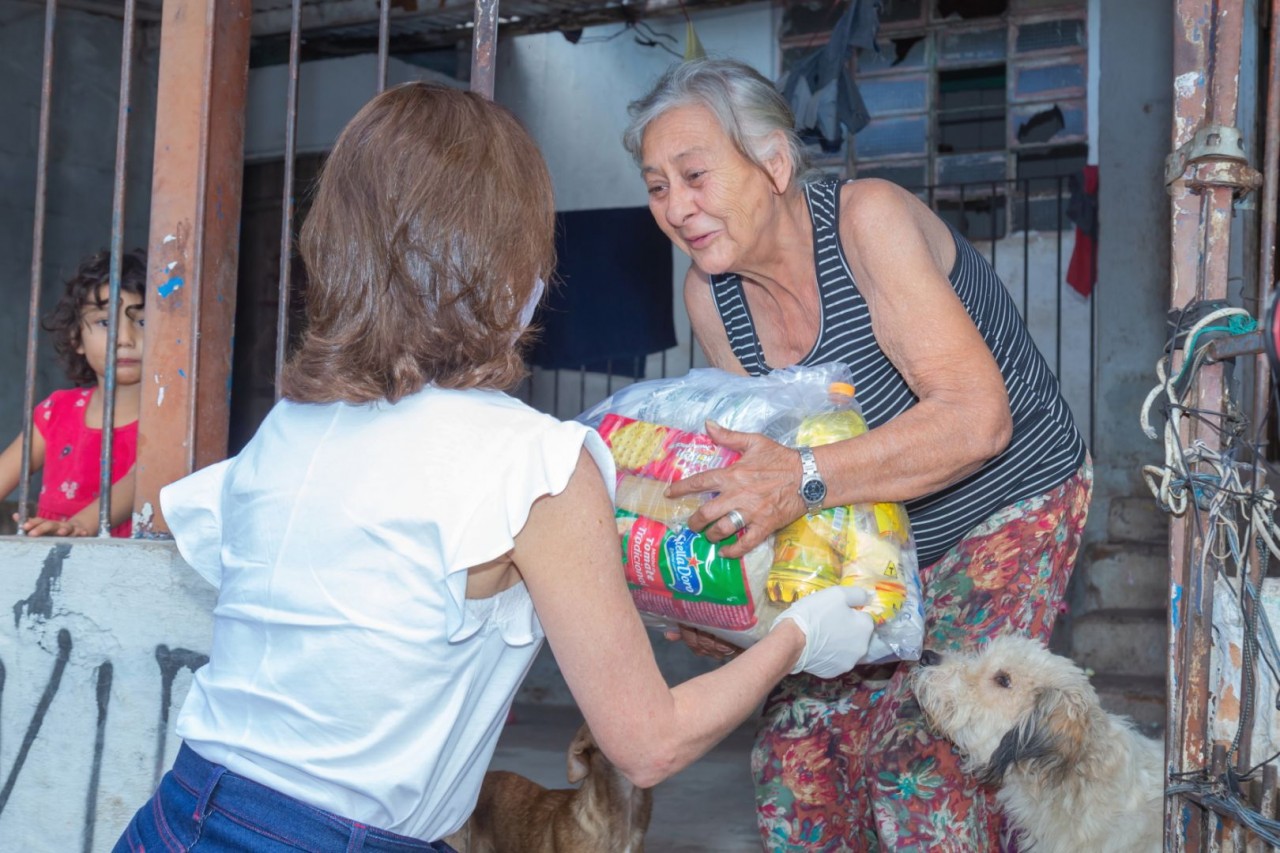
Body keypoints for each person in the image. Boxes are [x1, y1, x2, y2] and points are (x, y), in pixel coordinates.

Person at [112, 82, 876, 852]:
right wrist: (800, 639)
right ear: (508, 264)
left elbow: (197, 523)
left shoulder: (293, 423)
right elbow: (648, 742)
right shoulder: (534, 462)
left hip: (180, 815)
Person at [623, 57, 1091, 852]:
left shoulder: (865, 219)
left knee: (927, 759)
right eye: (657, 185)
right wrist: (732, 606)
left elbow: (978, 422)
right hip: (872, 536)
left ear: (773, 161)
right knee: (799, 765)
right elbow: (766, 468)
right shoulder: (712, 293)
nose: (677, 206)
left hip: (1006, 504)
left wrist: (801, 481)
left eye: (694, 174)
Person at [0, 248, 147, 537]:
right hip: (54, 569)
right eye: (105, 322)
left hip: (133, 568)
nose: (126, 340)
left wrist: (78, 526)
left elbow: (138, 480)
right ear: (76, 338)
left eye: (143, 322)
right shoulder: (57, 410)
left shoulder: (172, 418)